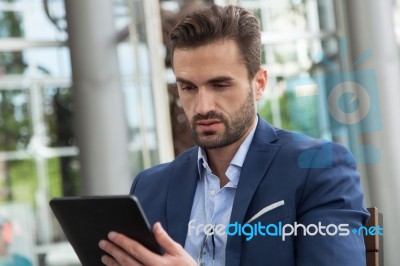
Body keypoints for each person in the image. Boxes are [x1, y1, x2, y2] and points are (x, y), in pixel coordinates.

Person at [99, 4, 369, 266]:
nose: (203, 107)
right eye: (188, 87)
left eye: (220, 85)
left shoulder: (320, 169)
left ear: (259, 84)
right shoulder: (149, 187)